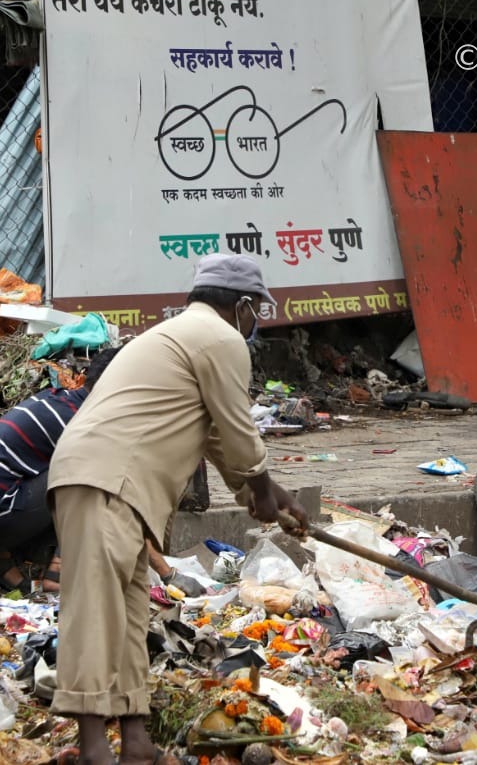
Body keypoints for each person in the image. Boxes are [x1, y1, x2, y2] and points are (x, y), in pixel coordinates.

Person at [46, 253, 309, 765]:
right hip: (106, 480)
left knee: (127, 615)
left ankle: (136, 742)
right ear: (241, 306)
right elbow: (237, 429)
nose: (254, 321)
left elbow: (214, 436)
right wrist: (260, 491)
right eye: (255, 310)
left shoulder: (181, 336)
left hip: (112, 483)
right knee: (95, 613)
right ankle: (95, 749)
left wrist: (267, 495)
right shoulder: (220, 339)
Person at [0, 346, 205, 597]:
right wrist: (167, 572)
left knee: (83, 474)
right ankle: (57, 575)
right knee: (87, 483)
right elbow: (120, 501)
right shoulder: (85, 423)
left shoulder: (62, 402)